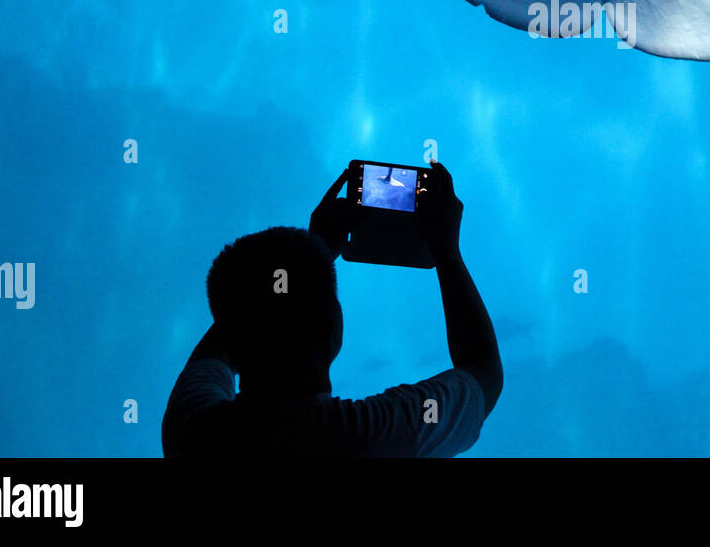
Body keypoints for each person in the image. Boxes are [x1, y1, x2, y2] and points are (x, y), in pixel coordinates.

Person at [161, 161, 501, 456]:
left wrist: (313, 256)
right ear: (335, 329)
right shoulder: (377, 435)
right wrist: (446, 250)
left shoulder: (193, 432)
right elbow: (483, 370)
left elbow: (226, 333)